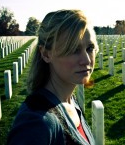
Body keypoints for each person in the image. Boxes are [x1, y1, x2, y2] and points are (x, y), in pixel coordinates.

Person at [7, 10, 98, 145]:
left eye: (90, 48)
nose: (86, 60)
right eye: (73, 49)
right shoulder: (36, 124)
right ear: (46, 54)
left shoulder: (70, 101)